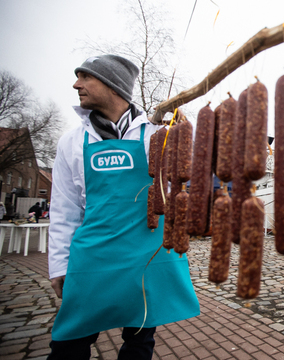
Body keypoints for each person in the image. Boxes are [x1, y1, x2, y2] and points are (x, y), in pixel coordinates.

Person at [47, 55, 199, 360]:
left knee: (140, 344)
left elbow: (184, 187)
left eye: (86, 77)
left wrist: (185, 140)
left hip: (146, 258)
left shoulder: (156, 135)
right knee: (69, 345)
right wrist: (59, 265)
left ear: (113, 86)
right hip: (92, 259)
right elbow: (64, 209)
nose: (77, 84)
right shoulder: (71, 142)